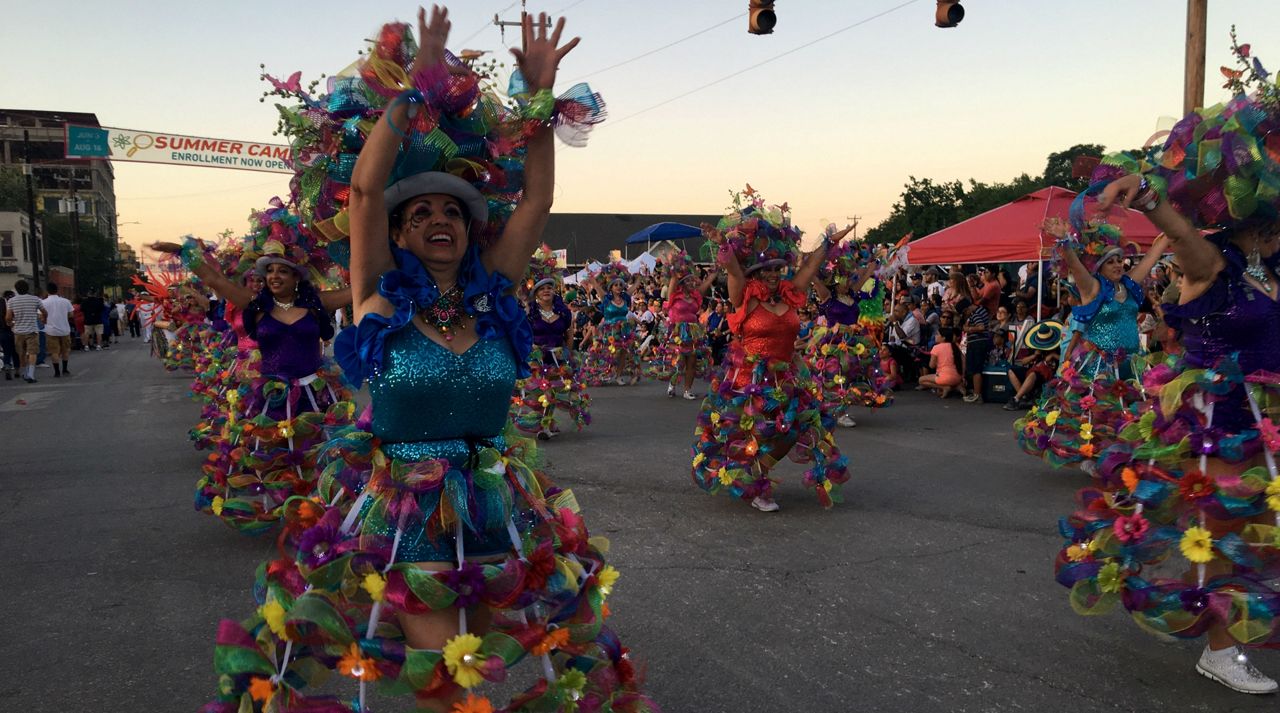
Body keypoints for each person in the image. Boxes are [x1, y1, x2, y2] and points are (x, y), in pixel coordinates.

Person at [202, 10, 648, 712]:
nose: (439, 218)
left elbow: (539, 201)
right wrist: (418, 87)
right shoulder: (379, 294)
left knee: (483, 662)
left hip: (500, 503)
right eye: (422, 212)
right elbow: (370, 190)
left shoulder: (495, 292)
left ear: (472, 230)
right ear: (399, 233)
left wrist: (539, 98)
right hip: (408, 506)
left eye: (453, 209)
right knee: (449, 679)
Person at [1054, 46, 1280, 694]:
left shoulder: (1268, 273)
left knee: (1257, 534)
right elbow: (1181, 240)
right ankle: (1219, 647)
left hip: (1268, 420)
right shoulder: (1212, 267)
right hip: (1221, 423)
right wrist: (1151, 198)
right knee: (1232, 534)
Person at [152, 205, 353, 534]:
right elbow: (215, 279)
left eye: (282, 271)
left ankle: (319, 511)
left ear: (296, 277)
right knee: (271, 454)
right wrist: (182, 252)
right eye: (270, 270)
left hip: (316, 394)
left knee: (318, 452)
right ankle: (285, 508)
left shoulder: (316, 303)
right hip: (271, 395)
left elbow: (360, 287)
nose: (273, 276)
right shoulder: (256, 305)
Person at [692, 190, 851, 512]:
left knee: (791, 429)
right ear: (756, 271)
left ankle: (759, 472)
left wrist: (827, 243)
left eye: (778, 269)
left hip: (786, 376)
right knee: (750, 432)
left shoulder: (791, 295)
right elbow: (734, 271)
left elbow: (811, 266)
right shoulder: (746, 297)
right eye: (768, 269)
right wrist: (722, 244)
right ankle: (755, 482)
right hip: (748, 378)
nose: (774, 274)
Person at [1016, 215, 1168, 471]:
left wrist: (1169, 230)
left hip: (1131, 361)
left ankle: (1124, 455)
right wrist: (1064, 240)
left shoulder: (1129, 287)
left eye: (1120, 260)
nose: (1119, 265)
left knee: (1129, 410)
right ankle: (1093, 456)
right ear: (1099, 267)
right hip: (1099, 363)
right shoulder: (1093, 287)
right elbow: (1074, 263)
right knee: (1098, 412)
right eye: (1111, 262)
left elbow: (1153, 255)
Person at [807, 237, 891, 428]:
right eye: (843, 280)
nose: (847, 283)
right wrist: (813, 261)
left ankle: (841, 407)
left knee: (852, 374)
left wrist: (877, 260)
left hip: (854, 340)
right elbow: (813, 277)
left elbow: (867, 272)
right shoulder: (827, 296)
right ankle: (838, 412)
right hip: (833, 341)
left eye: (849, 279)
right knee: (834, 374)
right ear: (835, 282)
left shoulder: (852, 293)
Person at [512, 244, 591, 439]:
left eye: (550, 288)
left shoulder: (562, 312)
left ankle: (545, 424)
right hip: (536, 356)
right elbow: (521, 332)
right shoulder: (529, 311)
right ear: (536, 293)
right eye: (542, 288)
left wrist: (569, 354)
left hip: (557, 356)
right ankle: (541, 422)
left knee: (554, 392)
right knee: (537, 391)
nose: (547, 291)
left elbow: (569, 333)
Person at [654, 250, 716, 399]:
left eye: (692, 280)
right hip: (678, 331)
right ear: (681, 284)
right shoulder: (674, 294)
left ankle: (687, 390)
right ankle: (672, 385)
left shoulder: (696, 295)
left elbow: (708, 282)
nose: (691, 283)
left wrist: (715, 270)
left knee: (692, 361)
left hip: (693, 331)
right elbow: (674, 277)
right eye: (687, 281)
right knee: (679, 361)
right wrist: (676, 264)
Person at [5, 280, 46, 383]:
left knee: (21, 353)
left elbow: (8, 317)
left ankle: (24, 372)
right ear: (28, 288)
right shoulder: (35, 299)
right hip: (32, 330)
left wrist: (10, 324)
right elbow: (44, 312)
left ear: (17, 289)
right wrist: (44, 319)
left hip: (18, 331)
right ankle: (30, 374)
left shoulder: (11, 301)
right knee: (33, 352)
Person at [917, 326, 963, 398]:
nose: (935, 336)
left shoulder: (936, 348)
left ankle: (945, 387)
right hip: (958, 378)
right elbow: (963, 362)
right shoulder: (956, 346)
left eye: (937, 334)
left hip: (944, 377)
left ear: (943, 338)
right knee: (943, 385)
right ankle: (956, 387)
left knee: (921, 380)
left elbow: (931, 365)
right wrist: (962, 376)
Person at [41, 282, 73, 377]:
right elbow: (71, 314)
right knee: (65, 350)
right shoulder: (66, 301)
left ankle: (57, 371)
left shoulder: (43, 302)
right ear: (57, 290)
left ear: (47, 291)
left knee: (54, 351)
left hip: (50, 330)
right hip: (64, 329)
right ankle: (65, 369)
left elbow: (40, 316)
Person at [0, 290, 16, 380]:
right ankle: (16, 369)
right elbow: (9, 319)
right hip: (10, 331)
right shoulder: (9, 306)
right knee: (14, 351)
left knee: (6, 351)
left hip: (1, 331)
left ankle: (7, 365)